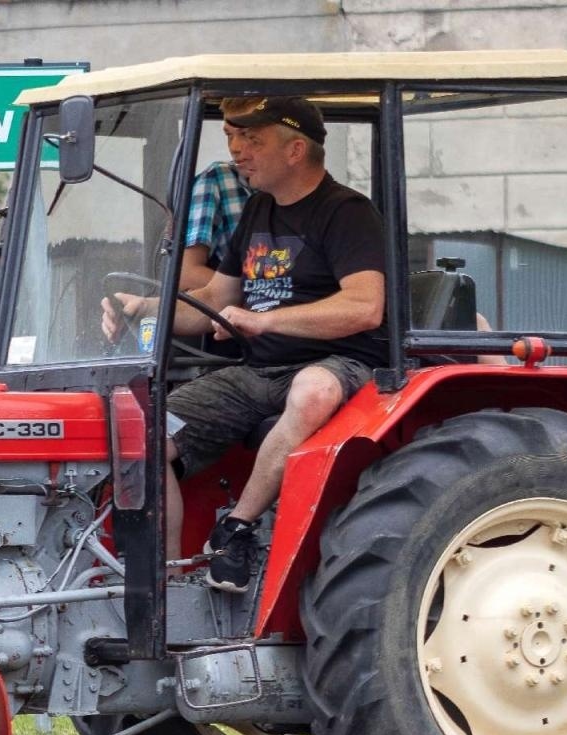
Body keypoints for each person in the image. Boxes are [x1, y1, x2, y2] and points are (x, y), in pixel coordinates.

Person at [103, 97, 387, 593]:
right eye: (233, 138)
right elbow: (214, 300)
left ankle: (236, 527)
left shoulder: (347, 212)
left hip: (339, 362)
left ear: (296, 149)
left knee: (312, 393)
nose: (237, 151)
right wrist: (143, 307)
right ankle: (166, 589)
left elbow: (365, 308)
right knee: (143, 432)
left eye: (252, 140)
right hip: (258, 373)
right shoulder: (258, 210)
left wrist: (267, 320)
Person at [179, 97, 261, 292]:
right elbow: (186, 274)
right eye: (229, 135)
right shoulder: (218, 179)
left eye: (246, 134)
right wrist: (263, 294)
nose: (234, 147)